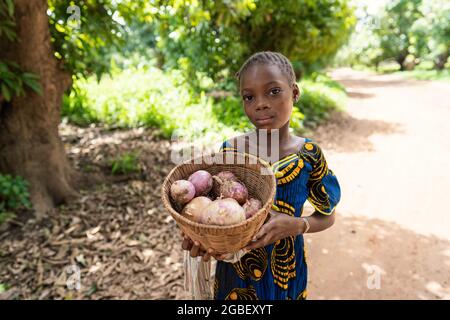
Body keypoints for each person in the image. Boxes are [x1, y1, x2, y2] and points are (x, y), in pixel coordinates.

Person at [182, 51, 341, 300]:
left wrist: (298, 225)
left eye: (273, 91)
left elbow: (328, 217)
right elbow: (212, 211)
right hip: (235, 274)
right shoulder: (231, 152)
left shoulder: (308, 155)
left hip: (285, 272)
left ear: (295, 93)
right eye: (249, 96)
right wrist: (203, 239)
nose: (260, 103)